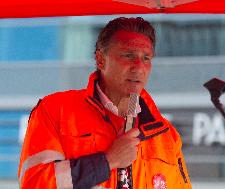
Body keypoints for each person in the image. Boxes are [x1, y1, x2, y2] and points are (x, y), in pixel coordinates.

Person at [18, 17, 192, 189]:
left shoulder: (166, 134)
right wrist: (107, 161)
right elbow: (34, 183)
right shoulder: (56, 110)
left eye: (146, 58)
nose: (139, 67)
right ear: (101, 60)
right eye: (128, 55)